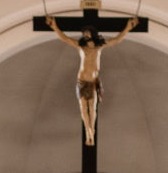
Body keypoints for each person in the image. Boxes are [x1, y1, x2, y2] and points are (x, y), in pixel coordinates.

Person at [46, 15, 139, 146]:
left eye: (88, 32)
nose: (85, 34)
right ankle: (88, 132)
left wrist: (128, 28)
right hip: (82, 81)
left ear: (93, 33)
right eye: (84, 33)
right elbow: (65, 39)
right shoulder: (80, 46)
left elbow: (117, 40)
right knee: (83, 108)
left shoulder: (98, 47)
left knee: (92, 107)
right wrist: (55, 26)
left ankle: (92, 131)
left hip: (94, 81)